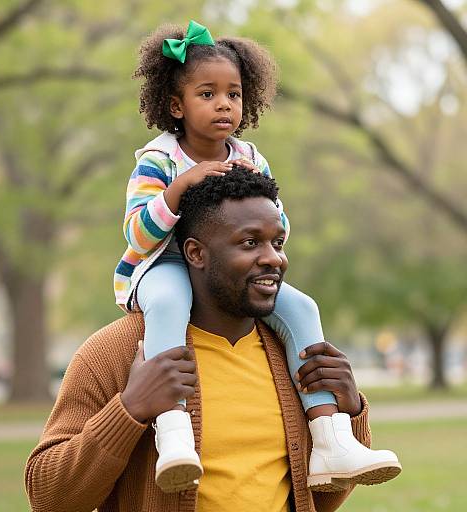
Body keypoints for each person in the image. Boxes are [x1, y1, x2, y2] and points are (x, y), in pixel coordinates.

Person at [112, 20, 401, 493]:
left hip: (232, 271)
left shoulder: (251, 156)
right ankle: (174, 432)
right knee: (168, 303)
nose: (224, 103)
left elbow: (278, 226)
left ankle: (330, 437)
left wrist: (256, 200)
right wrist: (183, 187)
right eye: (207, 94)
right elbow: (137, 235)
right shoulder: (159, 159)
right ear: (175, 105)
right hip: (163, 264)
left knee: (303, 307)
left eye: (234, 94)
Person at [26, 168, 389, 512]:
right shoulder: (115, 352)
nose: (273, 259)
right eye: (250, 243)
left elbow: (319, 500)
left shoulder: (293, 354)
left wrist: (350, 411)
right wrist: (131, 408)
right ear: (196, 254)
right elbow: (49, 498)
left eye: (277, 242)